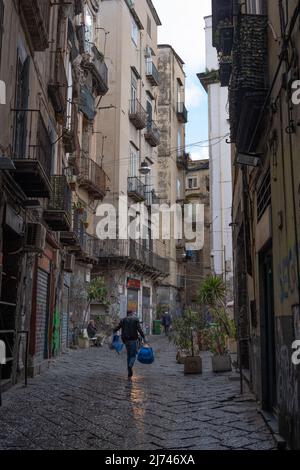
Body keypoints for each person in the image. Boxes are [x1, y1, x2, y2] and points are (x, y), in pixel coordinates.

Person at [113, 310, 145, 378]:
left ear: (127, 314)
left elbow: (117, 327)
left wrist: (112, 331)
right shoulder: (135, 320)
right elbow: (139, 329)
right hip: (133, 340)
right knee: (133, 355)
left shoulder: (123, 320)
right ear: (132, 314)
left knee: (128, 356)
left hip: (126, 341)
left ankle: (129, 372)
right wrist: (144, 336)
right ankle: (130, 366)